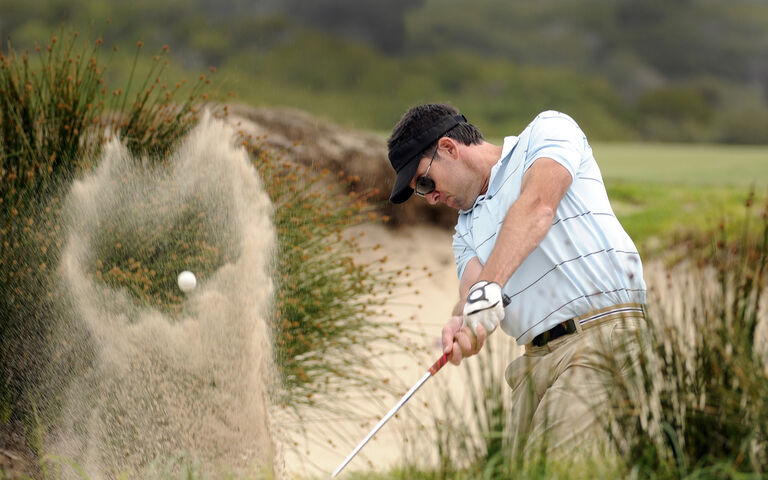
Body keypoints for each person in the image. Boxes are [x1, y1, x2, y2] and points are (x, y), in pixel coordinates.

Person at [386, 104, 647, 457]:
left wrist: (487, 290)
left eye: (425, 181)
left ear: (448, 148)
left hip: (602, 337)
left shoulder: (547, 132)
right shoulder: (465, 229)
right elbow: (474, 292)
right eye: (420, 190)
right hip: (533, 363)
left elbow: (538, 205)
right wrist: (462, 322)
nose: (430, 197)